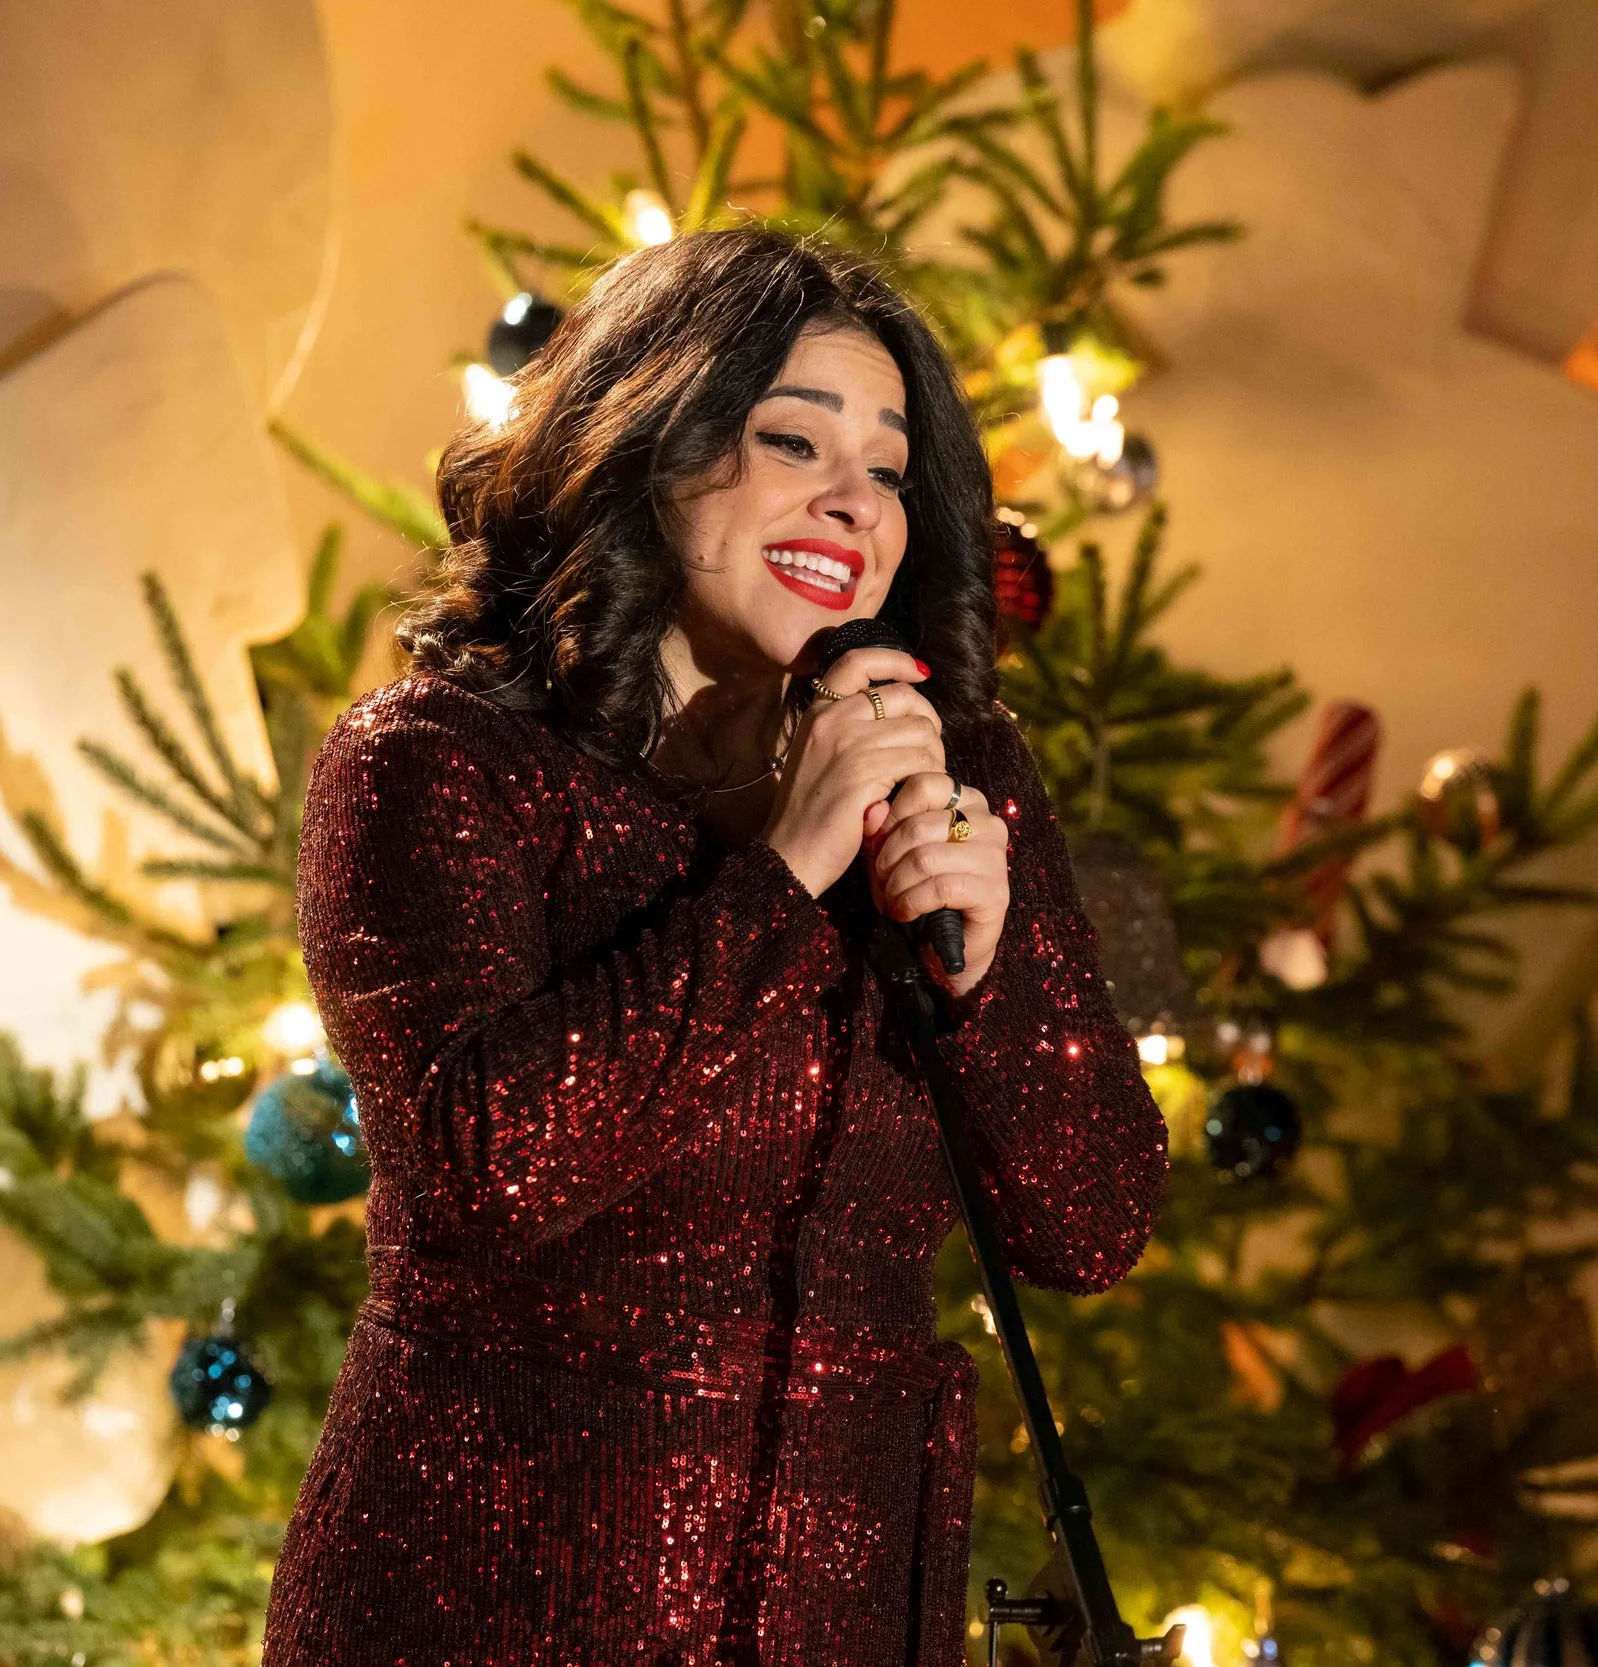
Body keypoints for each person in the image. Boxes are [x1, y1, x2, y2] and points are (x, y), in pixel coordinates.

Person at [261, 226, 1168, 1667]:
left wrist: (987, 978)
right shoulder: (437, 763)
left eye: (886, 469)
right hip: (485, 1604)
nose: (853, 501)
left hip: (850, 1610)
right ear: (651, 445)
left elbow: (1093, 1218)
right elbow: (489, 1170)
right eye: (793, 441)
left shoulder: (952, 765)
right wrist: (792, 866)